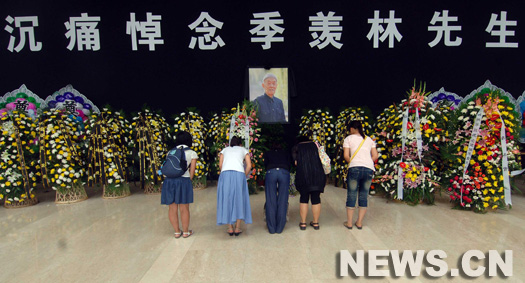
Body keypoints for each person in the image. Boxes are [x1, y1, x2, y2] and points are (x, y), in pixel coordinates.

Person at [160, 131, 198, 238]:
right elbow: (192, 171)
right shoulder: (192, 153)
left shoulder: (170, 152)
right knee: (184, 208)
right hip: (183, 181)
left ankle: (177, 232)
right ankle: (186, 232)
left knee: (172, 208)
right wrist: (189, 180)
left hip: (169, 181)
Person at [342, 120, 378, 230]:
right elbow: (375, 155)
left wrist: (354, 163)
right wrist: (366, 162)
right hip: (368, 169)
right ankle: (359, 223)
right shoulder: (369, 139)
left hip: (354, 168)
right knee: (364, 195)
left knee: (352, 194)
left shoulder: (348, 139)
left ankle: (349, 223)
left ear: (352, 128)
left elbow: (346, 156)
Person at [217, 136, 253, 236]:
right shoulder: (243, 150)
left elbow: (220, 164)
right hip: (239, 174)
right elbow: (249, 166)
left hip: (225, 174)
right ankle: (237, 228)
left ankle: (229, 228)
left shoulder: (225, 150)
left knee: (226, 199)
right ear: (240, 144)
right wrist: (244, 175)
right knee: (239, 199)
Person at [292, 135, 326, 230]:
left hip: (303, 175)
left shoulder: (297, 147)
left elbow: (296, 163)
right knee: (316, 198)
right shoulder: (316, 145)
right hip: (317, 175)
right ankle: (315, 223)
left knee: (304, 198)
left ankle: (303, 223)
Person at [263, 142, 291, 234]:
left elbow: (265, 164)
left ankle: (271, 228)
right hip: (284, 172)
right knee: (283, 200)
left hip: (271, 172)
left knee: (271, 200)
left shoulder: (268, 153)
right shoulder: (286, 152)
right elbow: (289, 164)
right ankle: (280, 228)